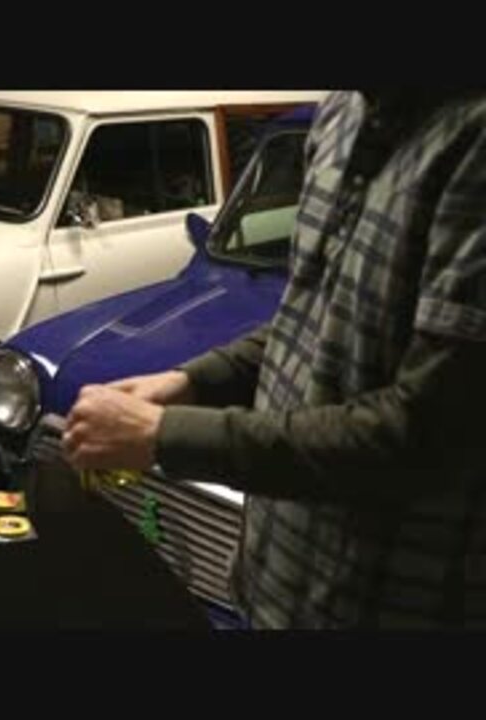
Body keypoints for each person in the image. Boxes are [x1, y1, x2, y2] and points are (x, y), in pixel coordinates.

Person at [61, 90, 486, 629]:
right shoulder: (341, 112)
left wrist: (162, 434)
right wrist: (190, 382)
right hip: (271, 589)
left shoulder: (471, 141)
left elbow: (425, 437)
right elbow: (309, 319)